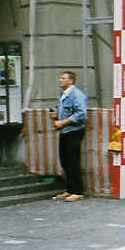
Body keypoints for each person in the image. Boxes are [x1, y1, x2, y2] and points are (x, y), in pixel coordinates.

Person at [51, 71, 87, 202]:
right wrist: (56, 115)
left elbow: (81, 114)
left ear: (71, 81)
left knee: (73, 161)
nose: (60, 80)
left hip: (74, 131)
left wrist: (62, 122)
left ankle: (78, 191)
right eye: (60, 77)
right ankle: (70, 190)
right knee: (65, 161)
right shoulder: (63, 94)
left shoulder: (77, 94)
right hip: (64, 131)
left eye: (63, 78)